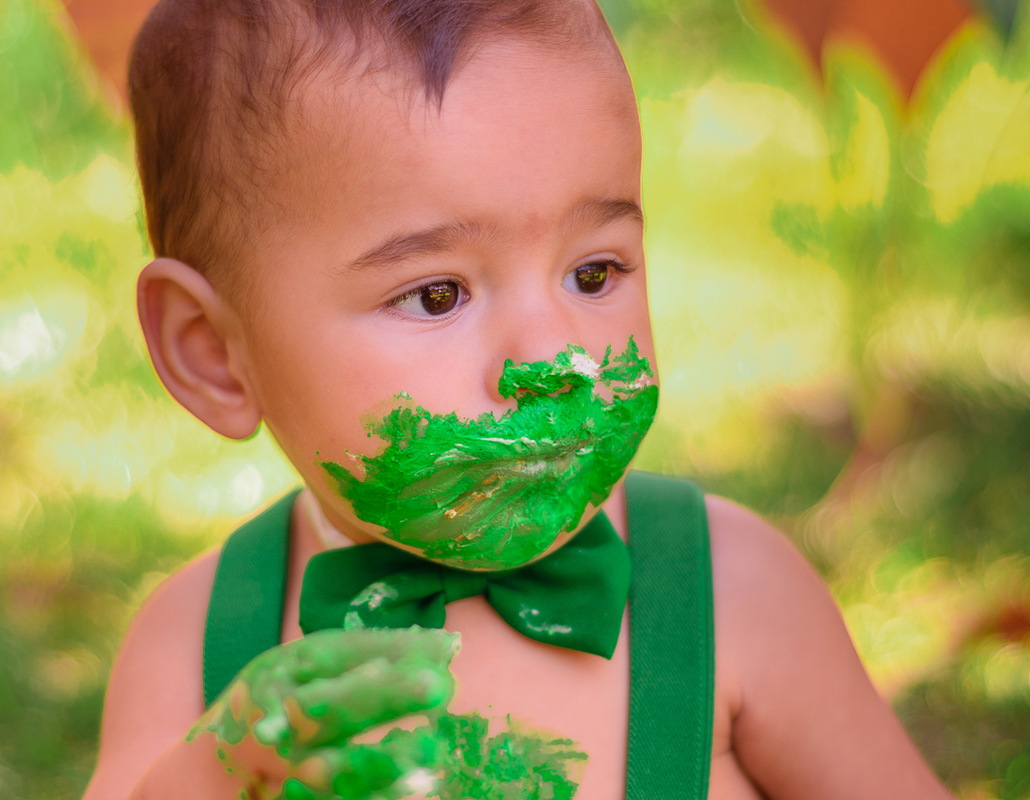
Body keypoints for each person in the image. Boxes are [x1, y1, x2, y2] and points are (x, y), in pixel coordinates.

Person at [82, 1, 956, 798]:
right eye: (436, 295)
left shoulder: (733, 596)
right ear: (215, 356)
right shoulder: (195, 644)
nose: (554, 358)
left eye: (593, 272)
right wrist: (214, 772)